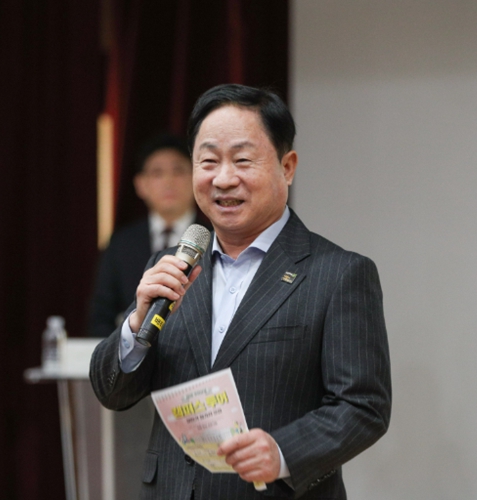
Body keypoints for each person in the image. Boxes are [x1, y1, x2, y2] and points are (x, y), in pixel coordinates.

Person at [90, 84, 391, 499]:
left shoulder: (338, 274)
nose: (224, 178)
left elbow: (363, 407)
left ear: (287, 167)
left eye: (243, 160)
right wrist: (137, 323)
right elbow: (112, 391)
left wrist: (283, 452)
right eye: (208, 161)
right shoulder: (171, 267)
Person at [89, 133, 209, 338]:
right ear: (140, 185)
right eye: (157, 173)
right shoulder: (121, 244)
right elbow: (100, 318)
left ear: (195, 178)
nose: (168, 182)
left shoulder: (216, 238)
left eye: (178, 171)